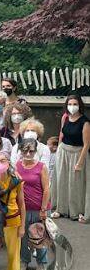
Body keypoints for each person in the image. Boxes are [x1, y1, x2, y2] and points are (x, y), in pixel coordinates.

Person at [51, 94, 90, 222]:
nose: (72, 107)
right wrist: (59, 150)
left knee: (76, 184)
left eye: (75, 104)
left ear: (80, 106)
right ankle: (60, 209)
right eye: (70, 104)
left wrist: (80, 162)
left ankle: (77, 211)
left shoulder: (85, 122)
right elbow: (61, 133)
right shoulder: (65, 118)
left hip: (77, 153)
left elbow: (86, 145)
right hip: (63, 152)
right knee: (61, 180)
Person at [16, 140, 50, 270]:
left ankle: (42, 263)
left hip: (37, 208)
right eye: (25, 150)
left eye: (31, 151)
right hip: (22, 209)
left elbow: (46, 189)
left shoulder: (41, 167)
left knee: (38, 236)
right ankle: (24, 261)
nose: (28, 153)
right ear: (20, 150)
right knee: (22, 236)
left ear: (36, 151)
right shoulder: (17, 165)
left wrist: (43, 209)